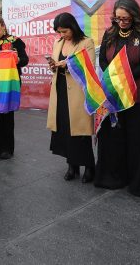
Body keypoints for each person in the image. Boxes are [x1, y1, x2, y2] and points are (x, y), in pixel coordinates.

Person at [93, 0, 140, 196]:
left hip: (138, 93)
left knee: (139, 139)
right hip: (114, 94)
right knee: (113, 136)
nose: (121, 22)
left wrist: (123, 79)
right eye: (118, 18)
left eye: (125, 18)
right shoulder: (109, 33)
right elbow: (102, 61)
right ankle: (114, 176)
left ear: (134, 16)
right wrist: (113, 80)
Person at [47, 12, 96, 182]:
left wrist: (67, 64)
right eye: (59, 32)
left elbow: (88, 68)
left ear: (73, 27)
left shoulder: (86, 42)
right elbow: (55, 65)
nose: (62, 35)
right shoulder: (57, 42)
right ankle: (72, 165)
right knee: (64, 129)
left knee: (80, 131)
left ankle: (89, 166)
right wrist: (54, 66)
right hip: (60, 90)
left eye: (65, 31)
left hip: (78, 92)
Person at [0, 15, 28, 159]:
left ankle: (5, 149)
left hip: (9, 84)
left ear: (3, 26)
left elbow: (25, 60)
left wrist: (17, 59)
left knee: (6, 117)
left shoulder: (15, 41)